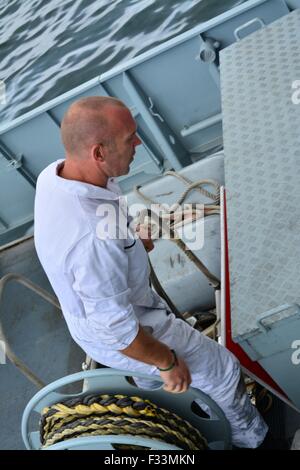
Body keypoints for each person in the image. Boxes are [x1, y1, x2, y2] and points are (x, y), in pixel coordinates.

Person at [34, 96, 268, 448]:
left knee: (157, 376)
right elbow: (118, 332)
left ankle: (165, 389)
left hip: (108, 310)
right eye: (130, 138)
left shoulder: (56, 176)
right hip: (126, 328)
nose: (139, 144)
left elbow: (99, 239)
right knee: (223, 371)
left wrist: (126, 238)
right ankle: (254, 439)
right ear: (98, 153)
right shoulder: (92, 242)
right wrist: (167, 360)